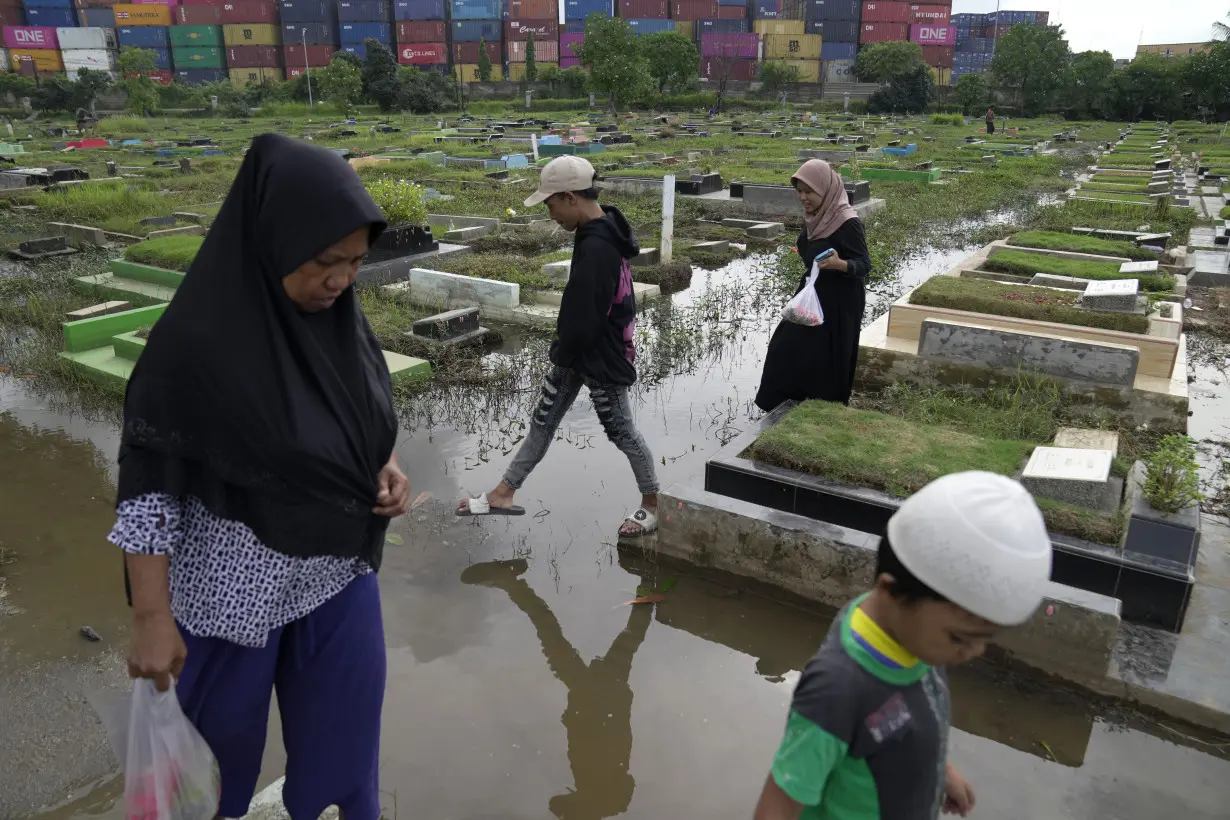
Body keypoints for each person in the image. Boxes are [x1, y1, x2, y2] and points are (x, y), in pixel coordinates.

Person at [111, 133, 411, 820]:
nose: (340, 280)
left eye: (356, 263)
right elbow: (149, 498)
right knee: (213, 773)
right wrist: (152, 619)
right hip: (228, 596)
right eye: (324, 262)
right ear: (271, 241)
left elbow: (358, 419)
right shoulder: (193, 349)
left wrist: (385, 466)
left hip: (334, 574)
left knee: (345, 746)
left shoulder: (341, 322)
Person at [752, 471, 1054, 820]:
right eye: (961, 637)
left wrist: (940, 771)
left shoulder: (913, 636)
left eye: (985, 639)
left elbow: (909, 718)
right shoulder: (836, 690)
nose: (974, 652)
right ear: (890, 592)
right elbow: (780, 803)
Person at [456, 155, 660, 537]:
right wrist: (566, 350)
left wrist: (564, 352)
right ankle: (503, 493)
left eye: (550, 204)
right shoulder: (597, 231)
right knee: (544, 421)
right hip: (578, 351)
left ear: (569, 197)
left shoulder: (600, 247)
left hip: (600, 356)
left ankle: (652, 505)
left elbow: (592, 314)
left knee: (622, 432)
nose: (550, 214)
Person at [755, 159, 871, 412]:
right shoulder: (816, 218)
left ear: (826, 190)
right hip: (812, 294)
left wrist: (840, 264)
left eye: (809, 192)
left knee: (826, 356)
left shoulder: (847, 221)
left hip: (840, 302)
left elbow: (864, 264)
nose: (803, 198)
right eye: (799, 192)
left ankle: (823, 410)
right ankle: (785, 405)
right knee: (786, 347)